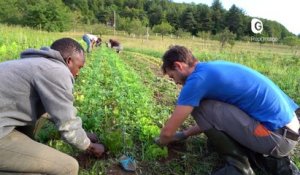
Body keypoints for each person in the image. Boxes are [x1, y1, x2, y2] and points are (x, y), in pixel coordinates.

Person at [155, 45, 300, 175]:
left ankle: (239, 168)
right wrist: (185, 134)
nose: (175, 82)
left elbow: (168, 132)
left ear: (179, 65)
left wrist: (161, 142)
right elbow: (221, 117)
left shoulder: (197, 80)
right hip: (287, 132)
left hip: (276, 138)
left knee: (201, 106)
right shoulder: (213, 68)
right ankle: (258, 155)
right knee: (211, 106)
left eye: (172, 76)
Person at [0, 38, 105, 174]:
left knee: (40, 115)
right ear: (69, 61)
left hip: (4, 119)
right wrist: (90, 146)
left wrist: (82, 134)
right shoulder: (57, 71)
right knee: (69, 167)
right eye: (79, 67)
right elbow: (67, 125)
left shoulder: (36, 63)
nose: (78, 73)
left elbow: (56, 111)